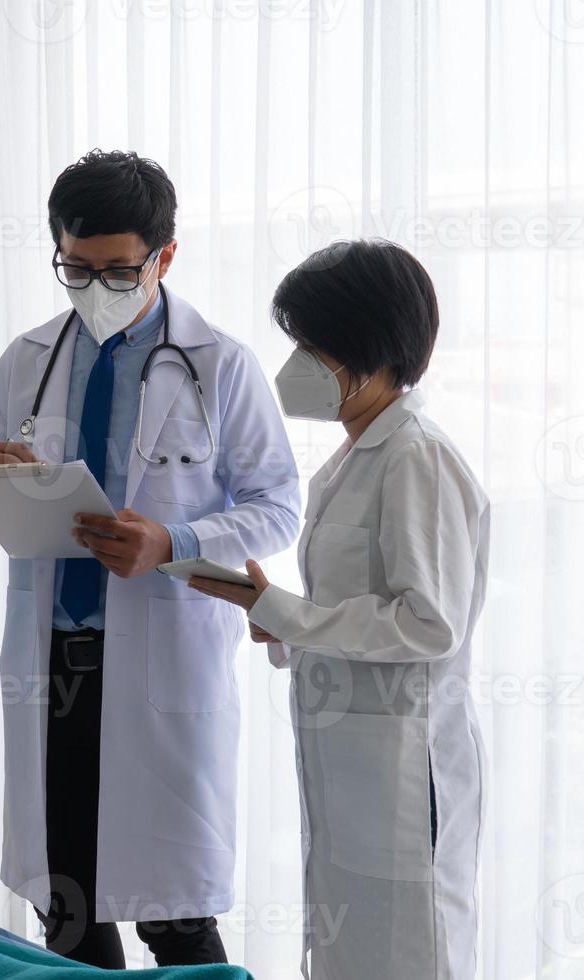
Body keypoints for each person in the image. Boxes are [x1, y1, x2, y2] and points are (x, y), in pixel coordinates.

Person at [0, 149, 301, 968]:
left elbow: (279, 508)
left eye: (117, 271)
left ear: (164, 257)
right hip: (56, 666)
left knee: (176, 918)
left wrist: (174, 543)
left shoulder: (221, 365)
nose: (94, 287)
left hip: (164, 660)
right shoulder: (26, 361)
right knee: (67, 910)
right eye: (76, 267)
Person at [188, 239, 488, 979]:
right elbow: (353, 612)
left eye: (315, 346)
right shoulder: (352, 460)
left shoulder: (417, 457)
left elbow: (429, 624)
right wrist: (278, 621)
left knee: (411, 957)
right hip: (350, 771)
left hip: (402, 776)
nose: (298, 363)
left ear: (374, 351)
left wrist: (293, 616)